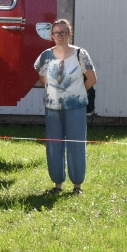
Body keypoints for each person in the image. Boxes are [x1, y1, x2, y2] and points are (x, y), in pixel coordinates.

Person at [33, 19, 97, 194]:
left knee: (76, 144)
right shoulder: (46, 55)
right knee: (54, 145)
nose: (59, 36)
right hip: (52, 108)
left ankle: (77, 186)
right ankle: (57, 185)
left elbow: (91, 79)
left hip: (75, 107)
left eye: (63, 32)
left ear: (70, 33)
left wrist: (75, 93)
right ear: (51, 35)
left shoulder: (80, 54)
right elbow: (43, 79)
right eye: (56, 32)